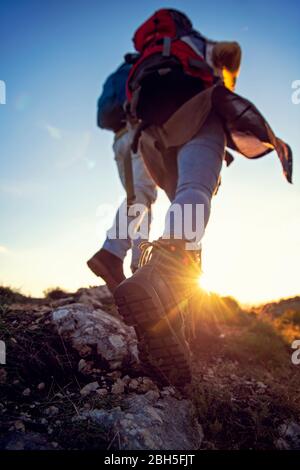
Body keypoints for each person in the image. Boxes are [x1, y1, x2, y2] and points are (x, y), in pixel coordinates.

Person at [114, 9, 293, 387]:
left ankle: (170, 320)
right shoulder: (199, 43)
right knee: (194, 193)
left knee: (182, 204)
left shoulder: (150, 54)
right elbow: (234, 51)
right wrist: (223, 78)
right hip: (196, 113)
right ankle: (164, 274)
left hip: (153, 136)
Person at [87, 63, 157, 293]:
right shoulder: (148, 64)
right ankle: (112, 252)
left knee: (138, 200)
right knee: (143, 193)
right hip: (139, 133)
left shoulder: (117, 75)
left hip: (119, 141)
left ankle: (139, 267)